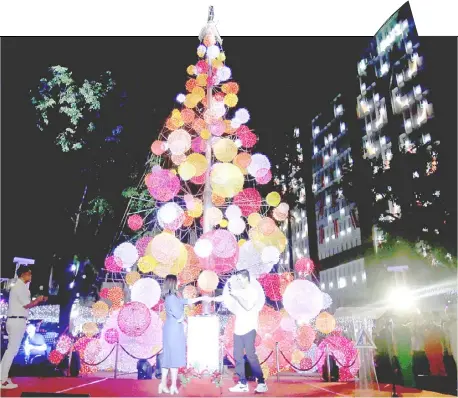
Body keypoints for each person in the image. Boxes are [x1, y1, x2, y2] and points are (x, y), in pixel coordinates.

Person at [212, 269, 268, 393]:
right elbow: (225, 297)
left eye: (239, 279)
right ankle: (242, 383)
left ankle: (262, 382)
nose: (237, 281)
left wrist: (235, 296)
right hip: (238, 329)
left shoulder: (252, 292)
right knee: (237, 356)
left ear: (246, 278)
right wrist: (210, 299)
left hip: (249, 328)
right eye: (236, 279)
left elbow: (247, 306)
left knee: (250, 356)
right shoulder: (239, 291)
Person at [159, 274, 209, 395]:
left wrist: (200, 299)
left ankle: (163, 384)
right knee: (174, 358)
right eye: (177, 281)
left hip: (170, 328)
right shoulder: (172, 298)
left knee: (168, 357)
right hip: (174, 330)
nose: (179, 283)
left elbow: (185, 301)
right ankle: (173, 386)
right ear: (172, 283)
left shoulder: (171, 296)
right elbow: (179, 316)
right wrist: (184, 318)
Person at [1, 266, 47, 390]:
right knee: (12, 351)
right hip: (17, 321)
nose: (31, 277)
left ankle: (2, 377)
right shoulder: (21, 287)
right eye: (29, 274)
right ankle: (2, 380)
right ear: (23, 274)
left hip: (14, 320)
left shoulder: (19, 287)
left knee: (10, 350)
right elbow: (27, 305)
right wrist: (37, 300)